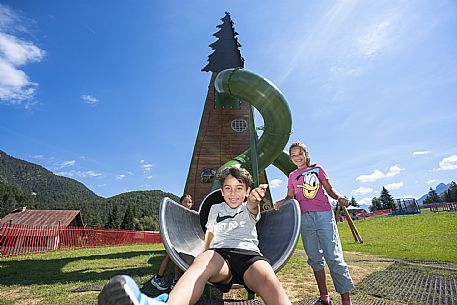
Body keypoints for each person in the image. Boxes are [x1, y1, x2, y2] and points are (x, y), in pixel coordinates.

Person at [98, 166, 291, 305]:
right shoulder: (215, 208)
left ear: (247, 191)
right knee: (201, 264)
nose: (233, 193)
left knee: (266, 276)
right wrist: (204, 252)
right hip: (221, 256)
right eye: (228, 188)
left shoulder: (248, 207)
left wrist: (254, 200)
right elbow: (210, 232)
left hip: (249, 255)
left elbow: (252, 207)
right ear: (222, 192)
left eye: (239, 188)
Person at [274, 141, 354, 305]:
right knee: (315, 258)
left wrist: (339, 197)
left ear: (306, 154)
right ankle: (324, 297)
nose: (297, 157)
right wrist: (282, 201)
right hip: (304, 219)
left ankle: (346, 300)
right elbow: (290, 197)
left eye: (300, 153)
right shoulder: (292, 176)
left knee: (334, 257)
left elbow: (330, 189)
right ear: (291, 158)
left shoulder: (317, 169)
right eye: (293, 155)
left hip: (324, 215)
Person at [151, 194, 193, 291]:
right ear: (181, 203)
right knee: (171, 258)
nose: (188, 204)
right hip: (175, 240)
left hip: (182, 242)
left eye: (190, 202)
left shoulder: (190, 214)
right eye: (185, 202)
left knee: (176, 260)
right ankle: (160, 278)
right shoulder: (178, 213)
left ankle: (174, 280)